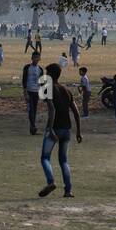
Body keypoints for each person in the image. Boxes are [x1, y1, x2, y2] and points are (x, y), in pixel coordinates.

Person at [37, 63, 82, 199]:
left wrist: (50, 129)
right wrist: (78, 131)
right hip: (67, 129)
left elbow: (52, 109)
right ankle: (68, 191)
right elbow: (76, 112)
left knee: (45, 158)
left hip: (54, 128)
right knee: (63, 161)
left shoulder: (48, 88)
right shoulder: (66, 90)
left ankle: (51, 182)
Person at [21, 51, 44, 135]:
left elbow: (41, 82)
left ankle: (32, 128)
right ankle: (33, 126)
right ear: (32, 58)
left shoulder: (40, 69)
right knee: (30, 109)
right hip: (29, 91)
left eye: (38, 57)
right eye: (35, 57)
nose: (36, 59)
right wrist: (25, 92)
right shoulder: (27, 68)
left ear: (39, 59)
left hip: (36, 91)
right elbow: (24, 80)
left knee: (34, 109)